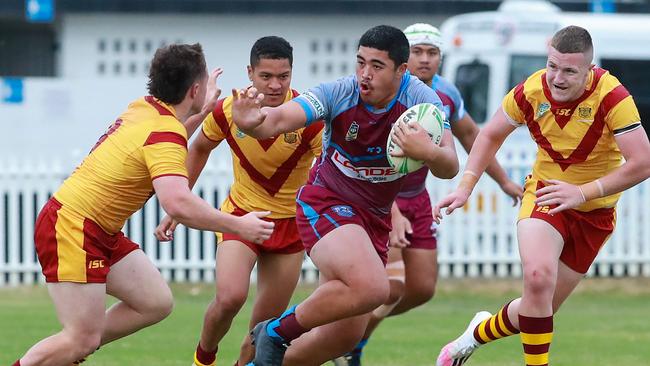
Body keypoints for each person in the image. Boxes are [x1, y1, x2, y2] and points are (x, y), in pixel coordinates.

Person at [12, 43, 274, 366]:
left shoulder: (145, 108)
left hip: (93, 227)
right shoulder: (163, 132)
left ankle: (77, 344)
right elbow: (177, 202)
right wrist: (239, 224)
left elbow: (171, 138)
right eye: (204, 82)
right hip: (72, 227)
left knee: (154, 301)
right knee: (80, 338)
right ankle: (77, 343)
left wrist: (204, 111)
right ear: (195, 89)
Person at [231, 25, 459, 366]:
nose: (365, 74)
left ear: (401, 70)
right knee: (374, 289)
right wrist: (252, 122)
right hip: (326, 202)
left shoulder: (422, 101)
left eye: (377, 66)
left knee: (344, 336)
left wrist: (428, 151)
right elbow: (279, 120)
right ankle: (276, 331)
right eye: (360, 62)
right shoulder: (339, 92)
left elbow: (450, 165)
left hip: (373, 218)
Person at [433, 25, 650, 366]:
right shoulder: (530, 91)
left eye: (569, 71)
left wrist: (581, 193)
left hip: (595, 214)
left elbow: (643, 162)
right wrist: (465, 187)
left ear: (589, 70)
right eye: (552, 66)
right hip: (545, 195)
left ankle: (475, 334)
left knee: (538, 309)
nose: (557, 78)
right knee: (537, 280)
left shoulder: (612, 97)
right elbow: (488, 136)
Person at [335, 22, 525, 366]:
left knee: (421, 289)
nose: (425, 59)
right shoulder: (379, 95)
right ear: (403, 59)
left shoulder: (446, 95)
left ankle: (349, 337)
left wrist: (505, 182)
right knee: (391, 286)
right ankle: (342, 341)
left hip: (418, 197)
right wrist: (391, 213)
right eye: (417, 51)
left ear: (440, 57)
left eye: (432, 52)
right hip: (380, 199)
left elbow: (473, 137)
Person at [154, 36, 324, 366]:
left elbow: (330, 166)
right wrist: (180, 200)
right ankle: (203, 358)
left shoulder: (308, 116)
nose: (275, 85)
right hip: (241, 216)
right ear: (250, 73)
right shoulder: (228, 111)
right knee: (230, 297)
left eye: (283, 76)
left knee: (261, 331)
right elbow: (200, 147)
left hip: (290, 227)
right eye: (266, 76)